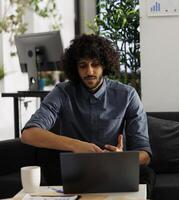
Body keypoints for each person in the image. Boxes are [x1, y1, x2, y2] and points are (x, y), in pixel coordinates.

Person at [21, 34, 155, 198]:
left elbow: (145, 155)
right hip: (74, 171)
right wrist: (75, 145)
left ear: (104, 65)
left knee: (147, 174)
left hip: (115, 170)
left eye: (95, 64)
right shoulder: (62, 92)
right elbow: (28, 134)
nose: (89, 71)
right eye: (83, 66)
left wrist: (122, 159)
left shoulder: (127, 95)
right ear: (75, 68)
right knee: (48, 162)